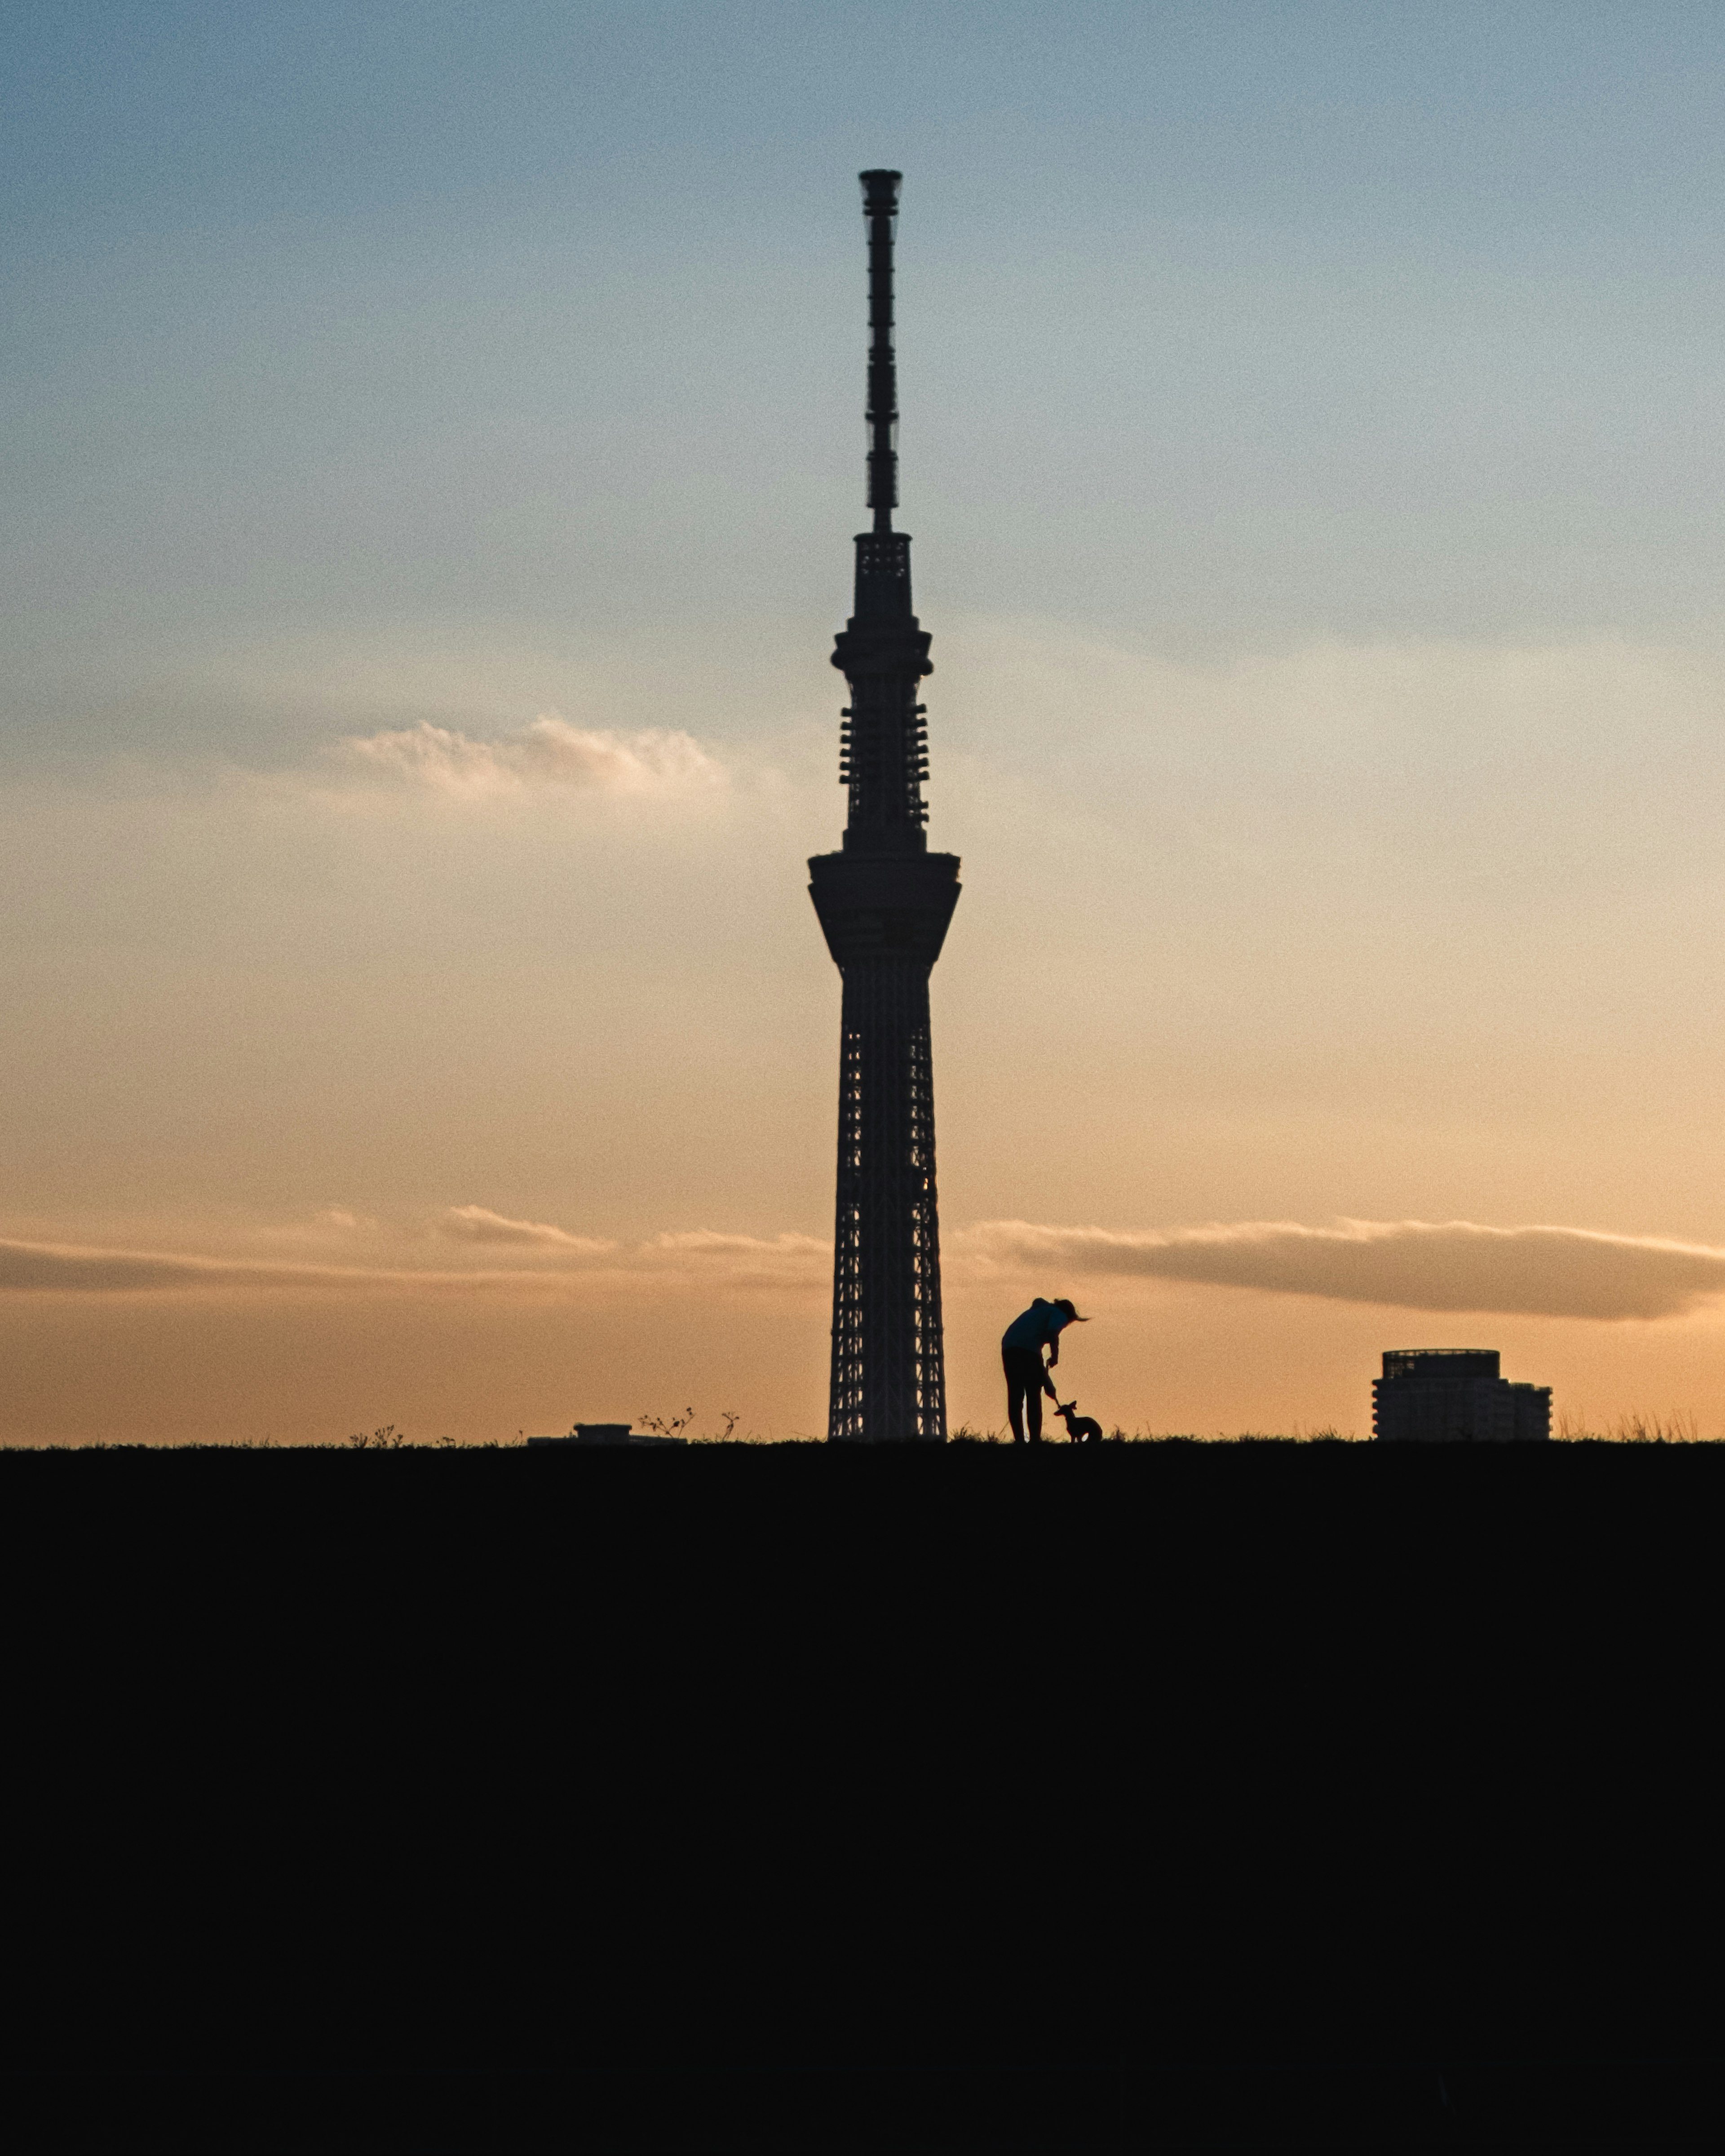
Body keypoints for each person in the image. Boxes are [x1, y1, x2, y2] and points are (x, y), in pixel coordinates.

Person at [1000, 1297, 1088, 1444]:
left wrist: (1047, 1382)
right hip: (1027, 1351)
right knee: (1034, 1395)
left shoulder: (1038, 1312)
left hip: (1009, 1349)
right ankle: (1035, 1441)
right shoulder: (1059, 1314)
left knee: (1016, 1396)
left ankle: (1020, 1441)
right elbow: (1052, 1335)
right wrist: (1055, 1356)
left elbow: (1036, 1357)